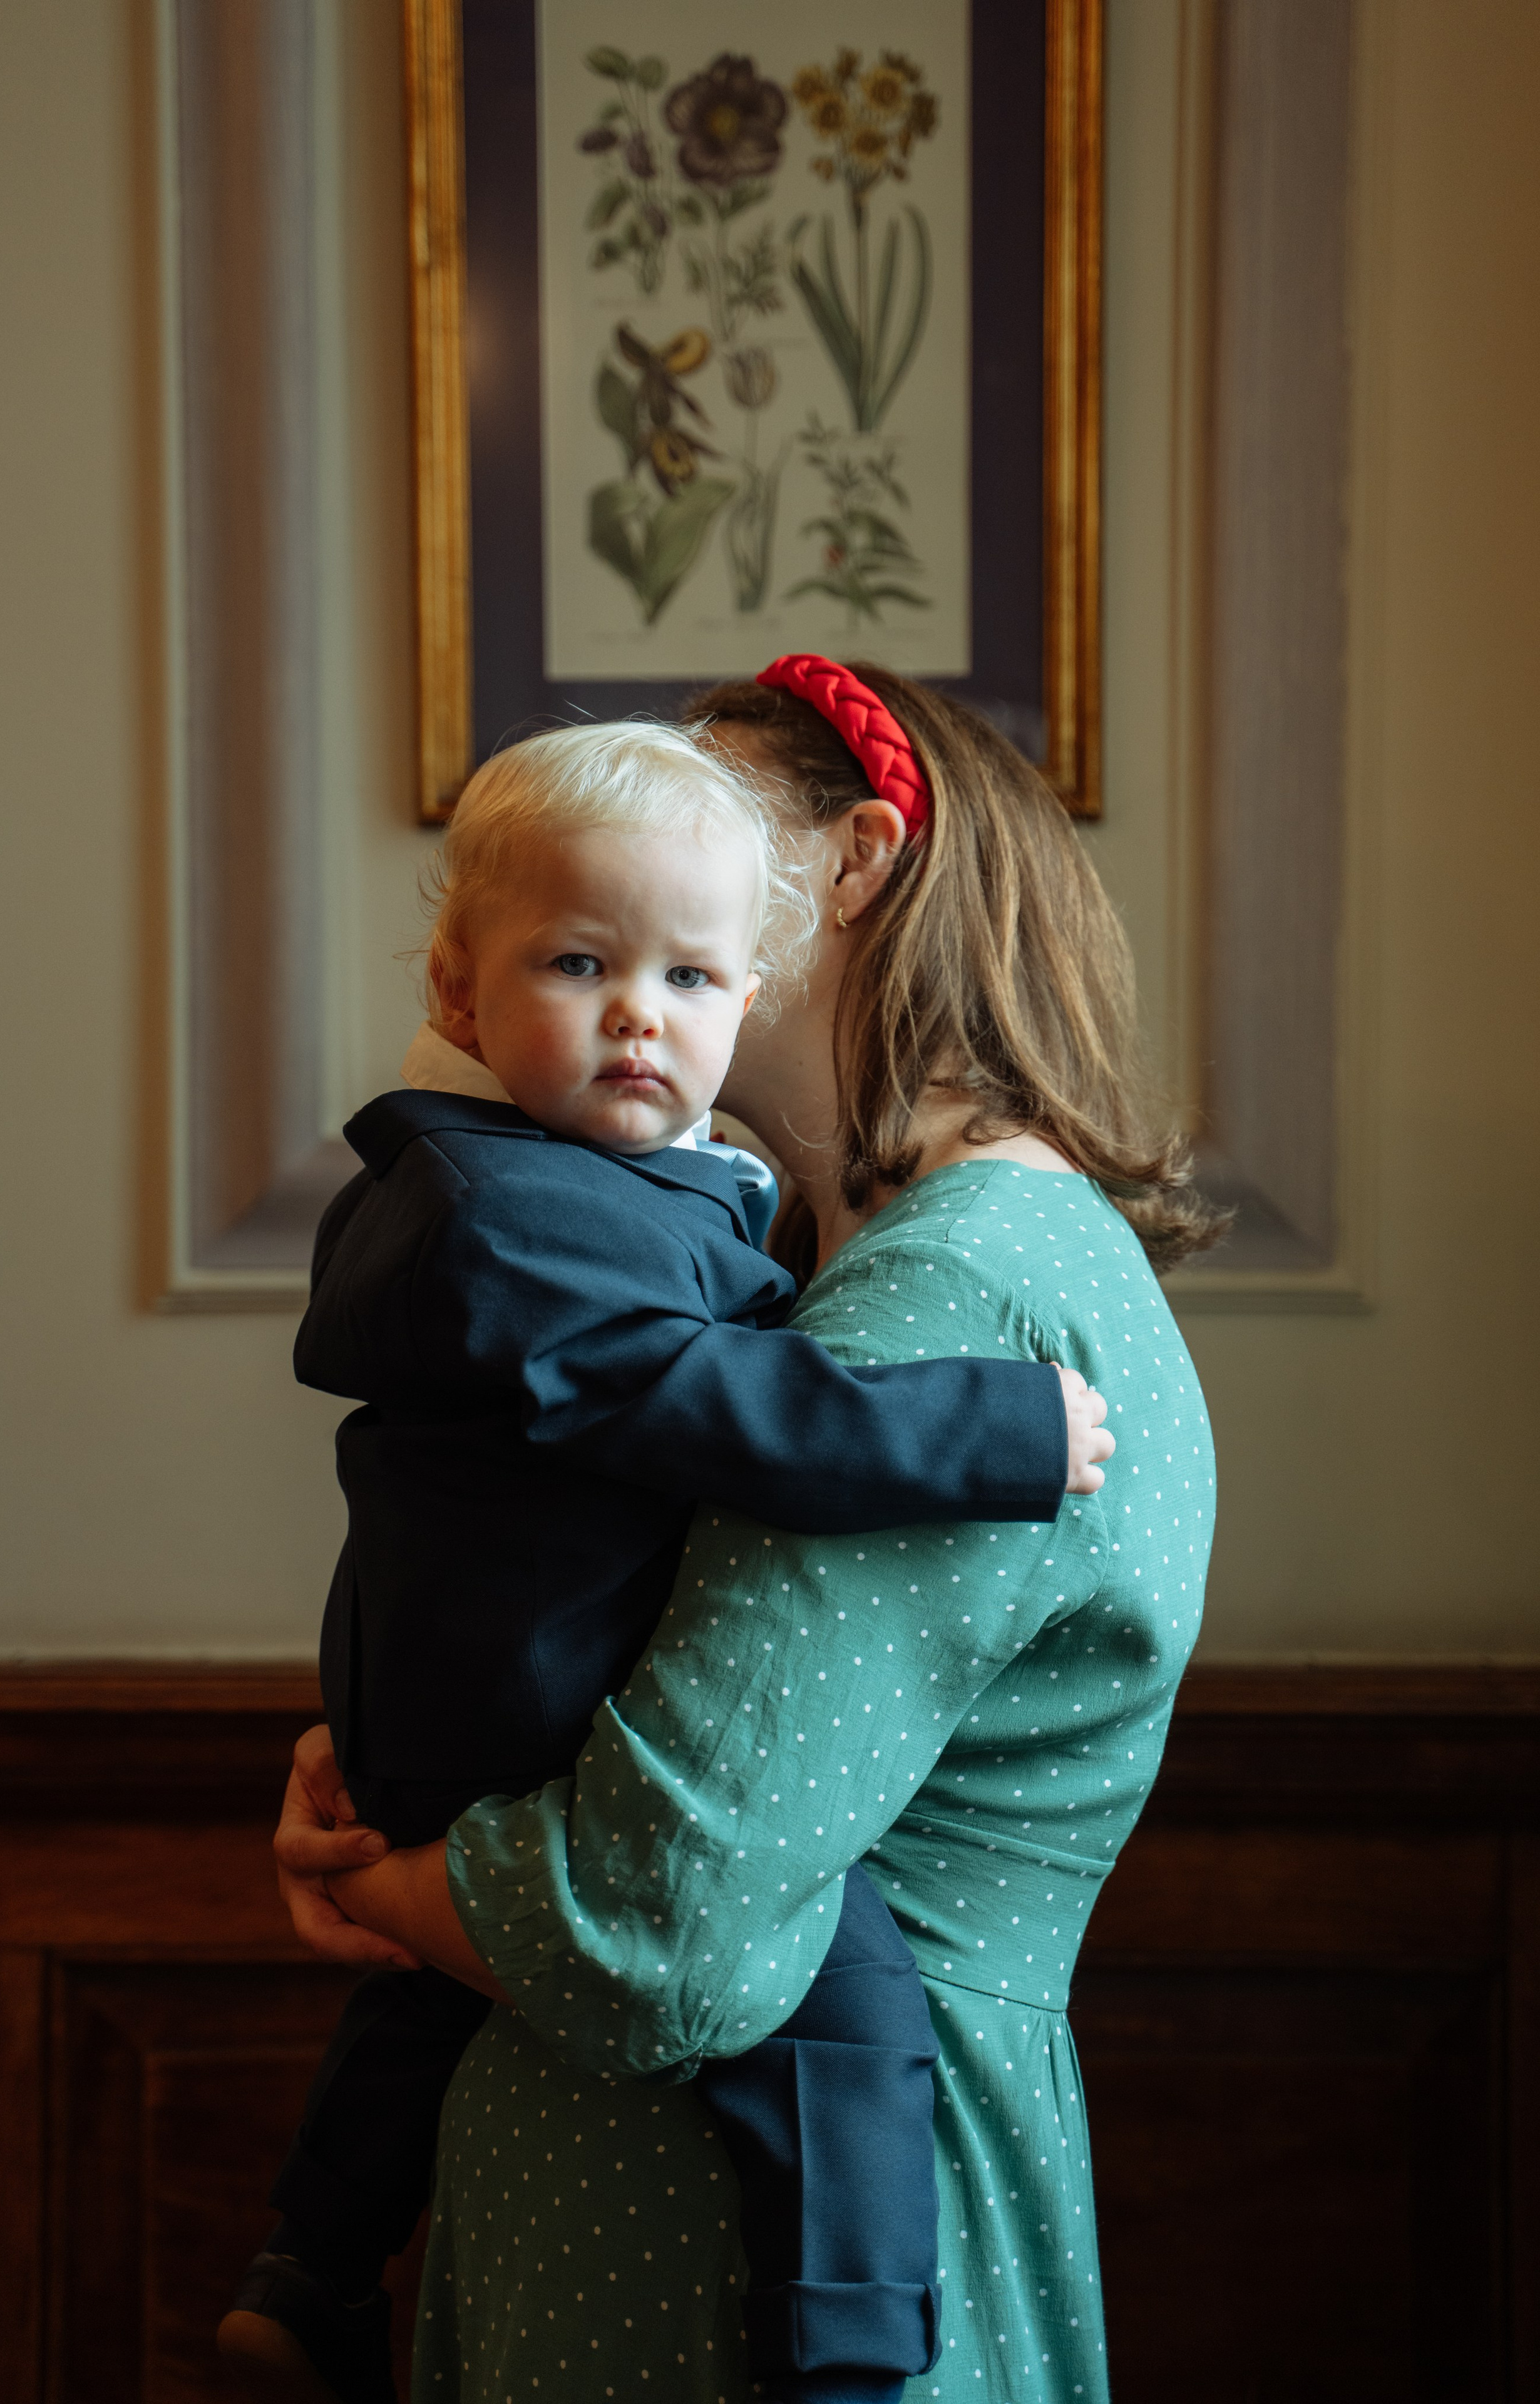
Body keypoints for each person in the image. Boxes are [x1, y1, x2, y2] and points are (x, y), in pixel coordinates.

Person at [280, 658, 1223, 2403]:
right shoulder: (859, 1279)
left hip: (728, 2271)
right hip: (690, 2228)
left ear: (855, 862)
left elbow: (662, 1925)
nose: (632, 868)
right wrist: (400, 1755)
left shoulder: (950, 1304)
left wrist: (382, 1884)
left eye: (696, 820)